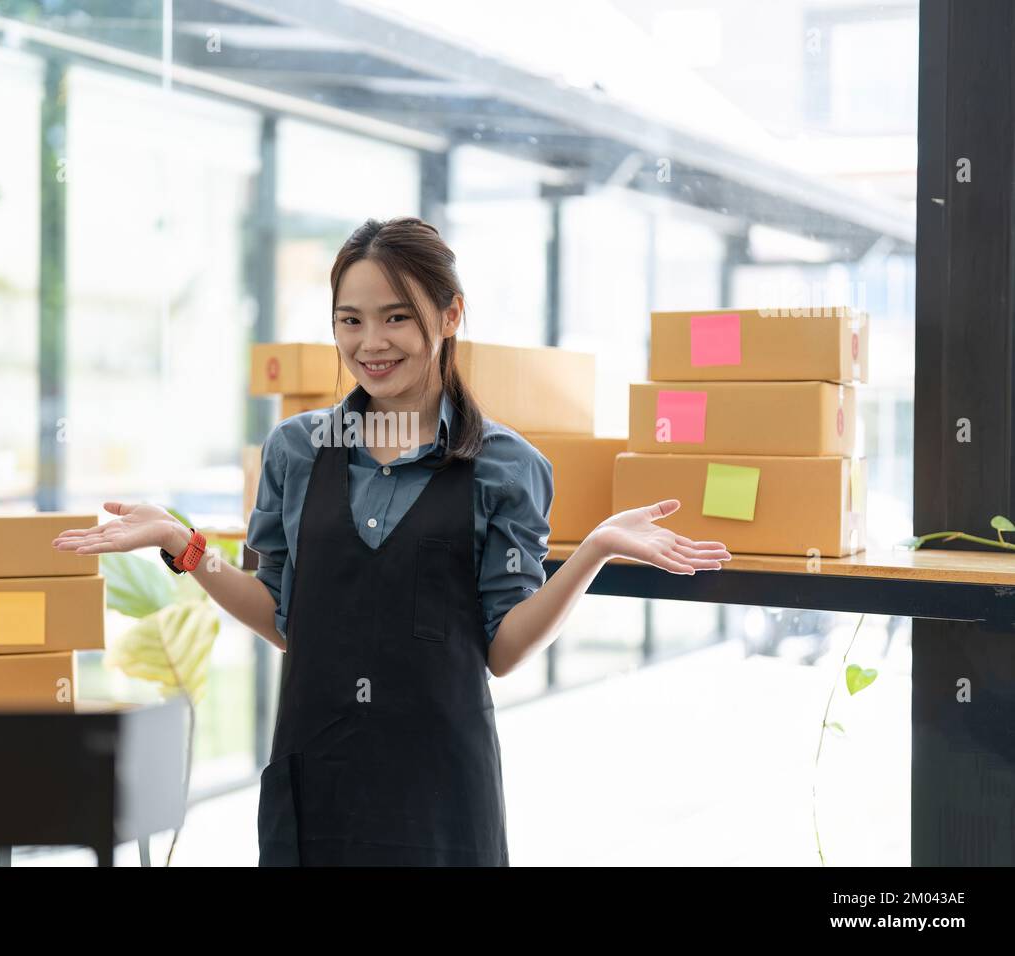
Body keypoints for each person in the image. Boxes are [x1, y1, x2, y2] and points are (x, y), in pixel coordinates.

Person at [52, 216, 730, 866]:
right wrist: (182, 540)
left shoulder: (506, 465)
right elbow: (285, 618)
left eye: (396, 316)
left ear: (450, 315)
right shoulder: (295, 450)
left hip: (439, 798)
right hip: (316, 784)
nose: (370, 342)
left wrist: (594, 550)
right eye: (351, 320)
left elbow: (502, 650)